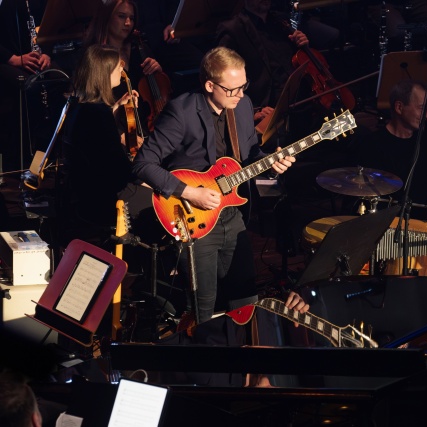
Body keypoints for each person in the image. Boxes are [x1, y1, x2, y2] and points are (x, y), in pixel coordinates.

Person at [131, 47, 308, 383]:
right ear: (210, 85)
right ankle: (208, 384)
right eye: (232, 89)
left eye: (243, 87)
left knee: (244, 300)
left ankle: (246, 376)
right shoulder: (181, 112)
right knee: (206, 311)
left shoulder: (241, 107)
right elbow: (142, 164)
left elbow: (251, 153)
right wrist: (190, 192)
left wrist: (273, 160)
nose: (240, 96)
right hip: (193, 219)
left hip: (232, 217)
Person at [58, 44, 142, 249]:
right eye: (118, 69)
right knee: (158, 204)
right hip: (101, 201)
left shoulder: (78, 105)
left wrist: (114, 109)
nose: (122, 72)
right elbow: (119, 172)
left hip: (80, 195)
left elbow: (94, 142)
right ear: (104, 74)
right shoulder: (98, 115)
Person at [351, 79, 427, 217]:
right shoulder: (372, 144)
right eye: (422, 109)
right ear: (399, 107)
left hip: (420, 225)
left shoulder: (425, 142)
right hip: (382, 223)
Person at [213, 0, 311, 119]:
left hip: (301, 96)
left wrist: (300, 44)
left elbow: (291, 60)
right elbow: (223, 79)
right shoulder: (232, 29)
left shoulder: (280, 21)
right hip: (271, 106)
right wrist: (254, 110)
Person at [84, 0, 166, 140]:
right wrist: (120, 135)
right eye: (121, 16)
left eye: (132, 18)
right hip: (116, 130)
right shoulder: (97, 57)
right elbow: (92, 106)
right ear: (107, 17)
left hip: (148, 125)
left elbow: (159, 91)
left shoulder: (140, 49)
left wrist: (158, 72)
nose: (128, 23)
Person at [0, 0, 52, 171]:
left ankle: (48, 156)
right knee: (29, 86)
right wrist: (13, 59)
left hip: (28, 58)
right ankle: (19, 163)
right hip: (6, 59)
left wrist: (45, 54)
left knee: (59, 79)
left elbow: (45, 33)